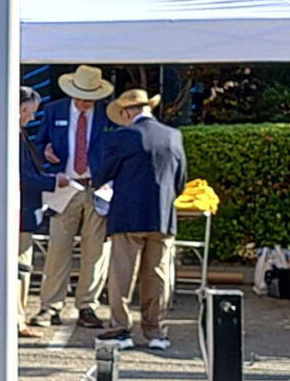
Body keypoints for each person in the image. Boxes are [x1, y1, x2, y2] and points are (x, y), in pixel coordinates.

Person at [90, 87, 188, 350]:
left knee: (123, 274)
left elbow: (101, 176)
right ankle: (155, 331)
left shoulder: (123, 136)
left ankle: (120, 329)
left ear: (126, 112)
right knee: (157, 274)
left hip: (128, 215)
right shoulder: (173, 136)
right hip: (162, 216)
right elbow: (181, 181)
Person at [30, 65, 115, 328]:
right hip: (64, 186)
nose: (83, 103)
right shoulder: (54, 110)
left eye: (88, 98)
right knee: (57, 248)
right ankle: (50, 306)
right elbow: (39, 143)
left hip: (97, 187)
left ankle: (87, 306)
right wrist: (46, 152)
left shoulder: (107, 113)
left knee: (96, 251)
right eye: (79, 97)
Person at [17, 86, 51, 330]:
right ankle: (17, 320)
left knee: (22, 267)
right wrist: (55, 182)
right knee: (20, 268)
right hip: (20, 214)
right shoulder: (12, 136)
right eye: (31, 113)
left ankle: (18, 318)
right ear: (22, 109)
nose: (32, 117)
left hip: (26, 212)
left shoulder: (19, 135)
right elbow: (23, 177)